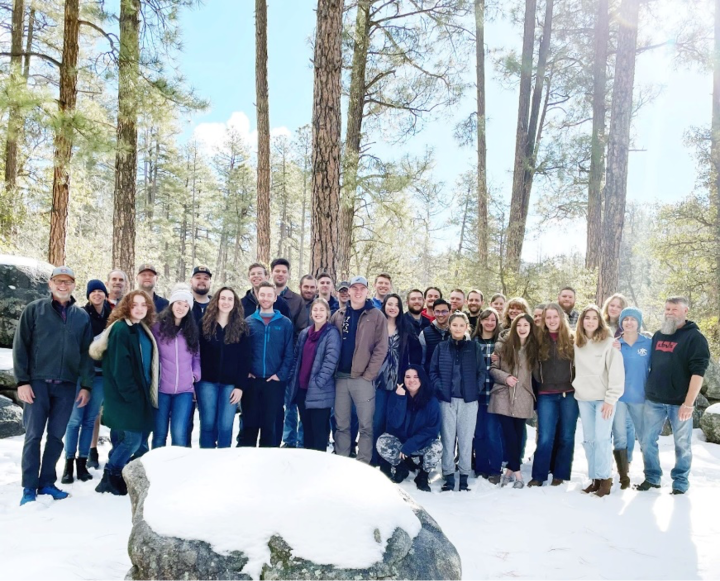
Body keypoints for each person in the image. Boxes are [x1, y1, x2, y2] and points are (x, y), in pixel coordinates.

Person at [14, 266, 94, 505]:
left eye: (68, 281)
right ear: (50, 283)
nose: (63, 285)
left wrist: (86, 386)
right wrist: (23, 381)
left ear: (73, 285)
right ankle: (29, 487)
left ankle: (47, 482)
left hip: (67, 386)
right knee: (33, 436)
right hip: (37, 384)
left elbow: (86, 354)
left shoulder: (81, 317)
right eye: (58, 281)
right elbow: (21, 347)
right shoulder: (34, 310)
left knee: (57, 437)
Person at [637, 296, 710, 495]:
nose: (669, 312)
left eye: (674, 309)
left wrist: (688, 403)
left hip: (680, 403)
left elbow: (698, 373)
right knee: (646, 440)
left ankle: (680, 482)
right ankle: (652, 478)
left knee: (682, 444)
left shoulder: (695, 338)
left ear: (685, 311)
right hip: (654, 400)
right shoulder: (659, 335)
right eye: (667, 308)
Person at [90, 290, 158, 496]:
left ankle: (114, 478)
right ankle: (111, 475)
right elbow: (120, 369)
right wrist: (132, 397)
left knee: (124, 438)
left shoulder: (140, 328)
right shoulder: (121, 329)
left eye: (143, 305)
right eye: (134, 304)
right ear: (126, 307)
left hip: (138, 393)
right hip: (126, 396)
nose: (139, 308)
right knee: (132, 440)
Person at [330, 276, 389, 464]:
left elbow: (381, 348)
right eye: (353, 288)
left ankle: (363, 463)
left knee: (366, 425)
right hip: (340, 378)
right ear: (348, 292)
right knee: (342, 425)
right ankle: (342, 461)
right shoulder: (338, 315)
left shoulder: (376, 315)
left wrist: (369, 374)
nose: (357, 292)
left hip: (362, 379)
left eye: (361, 288)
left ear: (367, 291)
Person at [61, 280, 111, 485]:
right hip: (81, 375)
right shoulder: (80, 315)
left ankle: (83, 462)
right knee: (74, 420)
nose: (97, 294)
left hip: (101, 375)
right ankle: (68, 463)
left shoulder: (112, 316)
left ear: (105, 295)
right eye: (94, 292)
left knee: (90, 419)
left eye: (101, 291)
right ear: (88, 295)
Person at [430, 312, 485, 492]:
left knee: (466, 439)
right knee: (447, 438)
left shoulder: (474, 347)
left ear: (467, 327)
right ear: (449, 327)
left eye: (462, 325)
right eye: (455, 325)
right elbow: (433, 371)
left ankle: (463, 476)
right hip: (447, 400)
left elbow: (481, 372)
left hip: (468, 401)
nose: (458, 328)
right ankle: (448, 475)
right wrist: (439, 388)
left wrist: (475, 389)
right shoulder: (441, 347)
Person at [573, 304, 624, 497]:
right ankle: (595, 478)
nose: (591, 321)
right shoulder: (577, 342)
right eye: (587, 318)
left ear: (599, 321)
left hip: (604, 399)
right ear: (582, 321)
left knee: (602, 440)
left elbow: (617, 373)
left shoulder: (609, 342)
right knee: (590, 441)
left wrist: (611, 399)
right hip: (583, 398)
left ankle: (606, 480)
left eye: (594, 318)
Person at [528, 303, 578, 487]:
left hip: (569, 394)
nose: (552, 320)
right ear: (544, 320)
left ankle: (560, 474)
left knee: (566, 436)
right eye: (548, 317)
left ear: (561, 318)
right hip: (546, 394)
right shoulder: (538, 340)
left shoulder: (573, 339)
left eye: (555, 317)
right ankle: (538, 475)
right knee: (545, 436)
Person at [240, 281, 294, 447]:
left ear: (275, 297)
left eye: (269, 295)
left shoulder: (284, 323)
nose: (265, 298)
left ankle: (269, 462)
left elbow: (289, 353)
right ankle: (247, 459)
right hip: (252, 381)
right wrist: (246, 371)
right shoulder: (248, 322)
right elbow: (242, 351)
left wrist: (280, 375)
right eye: (262, 294)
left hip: (274, 382)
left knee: (271, 426)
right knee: (249, 423)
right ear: (257, 296)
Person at [489, 314, 539, 489]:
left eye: (526, 325)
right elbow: (493, 369)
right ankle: (518, 474)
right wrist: (506, 377)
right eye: (519, 325)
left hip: (524, 396)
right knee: (509, 434)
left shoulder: (535, 348)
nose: (522, 328)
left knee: (517, 436)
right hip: (503, 395)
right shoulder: (502, 347)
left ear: (531, 328)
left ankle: (510, 470)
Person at [197, 287, 250, 448]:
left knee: (226, 426)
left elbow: (244, 360)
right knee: (207, 424)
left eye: (230, 299)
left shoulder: (241, 327)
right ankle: (206, 459)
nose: (226, 302)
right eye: (223, 298)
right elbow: (196, 355)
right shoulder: (204, 324)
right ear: (216, 301)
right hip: (206, 383)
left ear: (235, 304)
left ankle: (223, 462)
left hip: (230, 385)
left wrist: (240, 387)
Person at [372, 293, 422, 465]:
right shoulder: (377, 326)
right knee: (377, 420)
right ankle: (375, 457)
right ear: (384, 306)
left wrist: (409, 376)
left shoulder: (406, 328)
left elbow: (416, 354)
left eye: (396, 305)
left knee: (394, 422)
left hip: (398, 384)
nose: (392, 307)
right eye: (389, 304)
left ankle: (392, 459)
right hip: (377, 382)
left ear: (400, 309)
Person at [376, 365, 442, 491]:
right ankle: (401, 468)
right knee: (382, 441)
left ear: (422, 379)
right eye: (408, 377)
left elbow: (432, 430)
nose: (411, 380)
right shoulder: (396, 396)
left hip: (420, 443)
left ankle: (423, 475)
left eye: (416, 377)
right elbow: (394, 424)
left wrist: (410, 445)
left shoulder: (431, 401)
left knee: (437, 447)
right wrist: (401, 399)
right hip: (401, 442)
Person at [150, 285, 201, 448]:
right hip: (161, 389)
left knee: (179, 434)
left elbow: (196, 357)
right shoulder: (157, 327)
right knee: (159, 434)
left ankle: (177, 471)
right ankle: (156, 470)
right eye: (179, 303)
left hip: (184, 391)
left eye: (186, 305)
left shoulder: (191, 330)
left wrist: (195, 375)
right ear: (172, 304)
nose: (182, 307)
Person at [287, 298, 341, 451]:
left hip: (320, 391)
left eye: (321, 310)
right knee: (307, 431)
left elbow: (331, 361)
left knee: (319, 433)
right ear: (311, 314)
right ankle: (309, 465)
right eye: (315, 310)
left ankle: (320, 466)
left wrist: (317, 382)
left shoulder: (331, 333)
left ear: (327, 314)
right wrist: (294, 379)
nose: (318, 313)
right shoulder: (305, 333)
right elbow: (296, 358)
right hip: (302, 390)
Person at [611, 307, 651, 489]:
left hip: (641, 398)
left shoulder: (648, 344)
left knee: (645, 437)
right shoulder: (615, 344)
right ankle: (624, 476)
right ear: (621, 323)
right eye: (625, 319)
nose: (629, 322)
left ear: (639, 322)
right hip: (619, 398)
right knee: (620, 437)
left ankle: (650, 475)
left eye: (633, 319)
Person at [282, 274, 317, 448]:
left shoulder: (320, 307)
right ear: (300, 286)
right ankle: (289, 439)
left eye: (312, 287)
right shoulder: (293, 302)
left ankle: (303, 440)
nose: (309, 290)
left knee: (307, 404)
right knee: (290, 402)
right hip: (293, 360)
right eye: (306, 287)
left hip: (312, 363)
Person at [471, 307, 503, 483]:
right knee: (479, 433)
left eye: (493, 320)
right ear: (481, 321)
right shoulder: (473, 342)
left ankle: (495, 468)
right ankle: (481, 467)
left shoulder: (500, 342)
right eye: (486, 319)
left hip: (495, 394)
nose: (490, 323)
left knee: (492, 433)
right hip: (477, 394)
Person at [419, 298, 451, 372]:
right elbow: (423, 361)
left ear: (450, 312)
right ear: (433, 312)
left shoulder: (457, 332)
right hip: (432, 378)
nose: (440, 315)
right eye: (437, 311)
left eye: (444, 311)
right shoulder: (424, 334)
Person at [271, 257, 303, 322]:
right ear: (271, 273)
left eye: (284, 272)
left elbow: (301, 328)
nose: (280, 274)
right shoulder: (264, 297)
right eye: (277, 271)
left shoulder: (298, 300)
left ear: (289, 275)